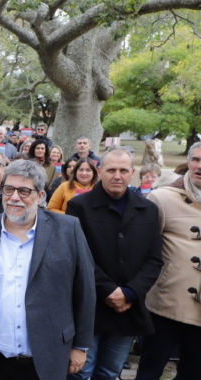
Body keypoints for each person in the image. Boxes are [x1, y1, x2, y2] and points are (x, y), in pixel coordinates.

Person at [0, 159, 96, 380]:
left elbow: (85, 290)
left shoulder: (68, 229)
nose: (14, 197)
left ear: (41, 196)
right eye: (9, 189)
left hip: (46, 357)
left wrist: (81, 346)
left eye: (24, 191)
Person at [65, 147, 163, 380]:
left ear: (133, 173)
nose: (117, 175)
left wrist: (129, 292)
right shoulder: (80, 206)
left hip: (127, 310)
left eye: (123, 170)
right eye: (111, 170)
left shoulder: (148, 210)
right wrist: (109, 290)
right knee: (81, 373)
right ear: (100, 171)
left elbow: (154, 259)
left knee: (109, 372)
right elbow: (77, 256)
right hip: (90, 307)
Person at [136, 142, 201, 380]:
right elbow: (142, 250)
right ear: (188, 163)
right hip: (165, 305)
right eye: (195, 159)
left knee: (194, 373)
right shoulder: (161, 198)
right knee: (149, 371)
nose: (200, 166)